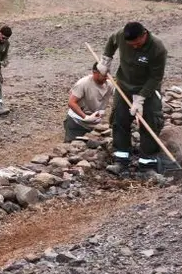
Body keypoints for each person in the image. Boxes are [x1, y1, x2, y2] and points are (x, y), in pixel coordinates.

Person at [100, 21, 167, 172]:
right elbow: (111, 41)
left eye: (137, 43)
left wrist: (141, 98)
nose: (134, 46)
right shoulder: (120, 35)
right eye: (131, 44)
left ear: (144, 34)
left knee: (150, 122)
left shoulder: (157, 48)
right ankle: (121, 160)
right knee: (119, 119)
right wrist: (106, 61)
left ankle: (147, 163)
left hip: (147, 90)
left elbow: (156, 77)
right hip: (124, 85)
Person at [65, 63, 113, 141]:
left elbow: (119, 94)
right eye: (104, 75)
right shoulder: (83, 83)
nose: (107, 77)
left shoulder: (109, 85)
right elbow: (71, 102)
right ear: (95, 72)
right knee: (74, 146)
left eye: (108, 74)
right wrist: (86, 117)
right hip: (77, 122)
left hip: (95, 124)